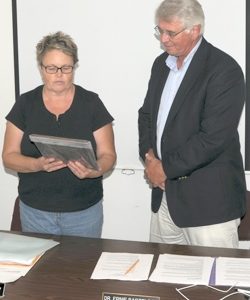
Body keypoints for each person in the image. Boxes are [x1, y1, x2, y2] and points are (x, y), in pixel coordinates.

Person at [138, 0, 246, 248]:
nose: (163, 39)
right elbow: (146, 116)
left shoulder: (224, 70)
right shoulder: (160, 65)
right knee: (161, 279)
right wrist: (150, 157)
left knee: (215, 283)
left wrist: (165, 169)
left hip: (208, 203)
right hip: (165, 196)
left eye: (170, 32)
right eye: (159, 30)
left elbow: (213, 138)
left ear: (195, 30)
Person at [2, 31, 116, 238]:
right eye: (52, 68)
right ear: (41, 69)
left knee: (81, 268)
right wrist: (37, 165)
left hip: (84, 211)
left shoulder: (91, 103)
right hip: (35, 211)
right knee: (40, 270)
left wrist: (94, 171)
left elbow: (108, 156)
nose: (59, 74)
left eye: (66, 68)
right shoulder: (25, 104)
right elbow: (8, 157)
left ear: (74, 67)